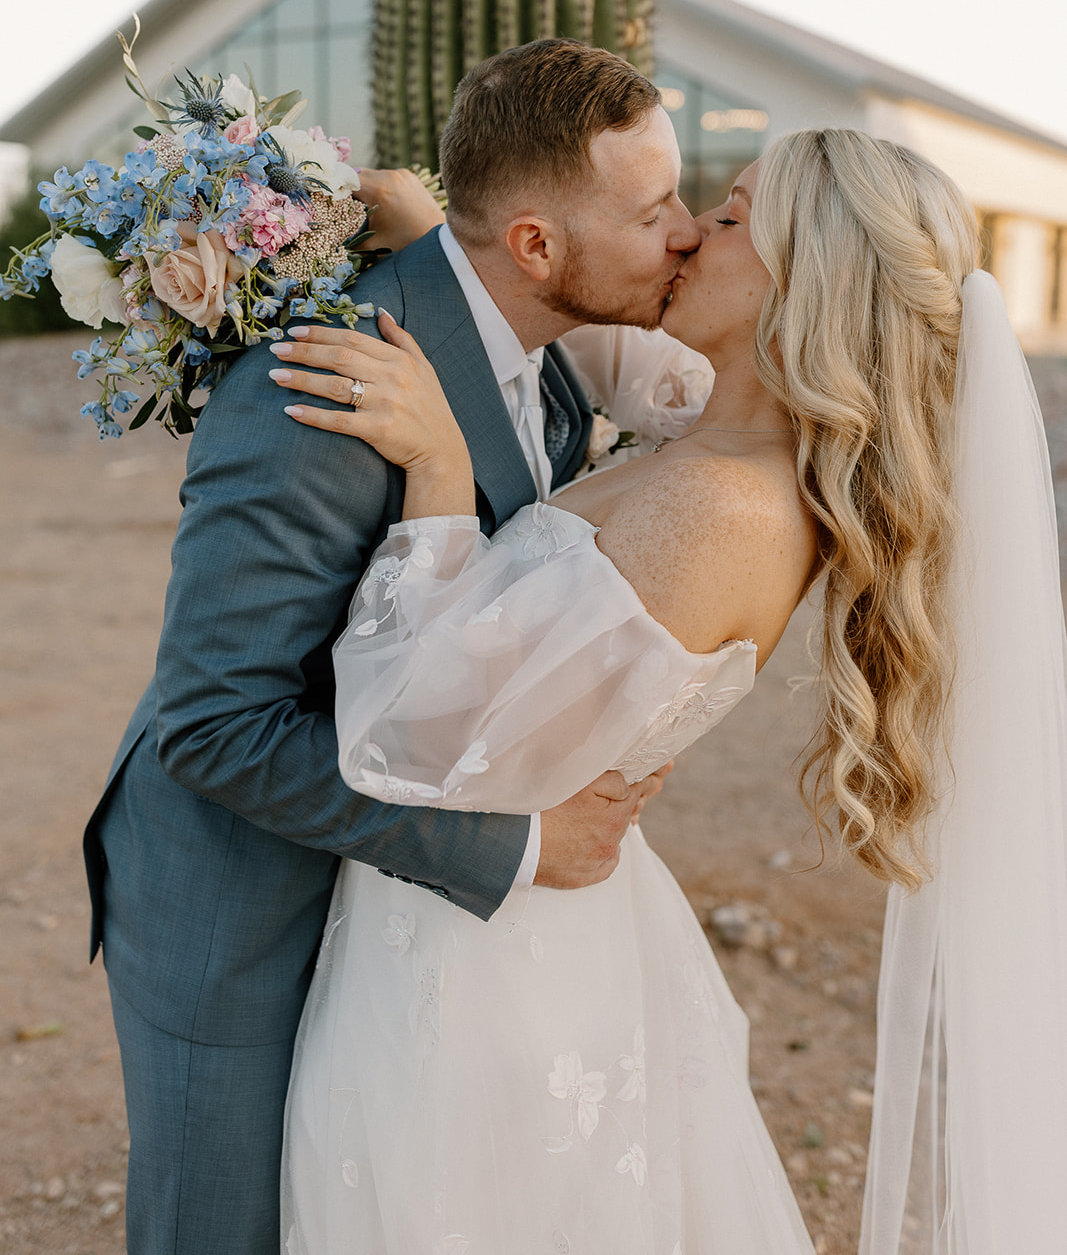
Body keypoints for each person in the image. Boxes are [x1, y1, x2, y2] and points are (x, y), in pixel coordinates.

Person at [273, 128, 1067, 1253]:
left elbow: (406, 735)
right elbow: (576, 353)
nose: (690, 230)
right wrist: (446, 244)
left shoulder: (723, 510)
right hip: (503, 939)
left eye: (732, 215)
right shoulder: (712, 433)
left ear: (807, 281)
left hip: (486, 980)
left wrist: (439, 473)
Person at [83, 39, 700, 1255]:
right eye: (653, 209)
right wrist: (515, 840)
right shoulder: (315, 387)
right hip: (241, 910)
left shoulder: (549, 359)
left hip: (382, 919)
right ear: (533, 245)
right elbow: (215, 726)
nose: (681, 232)